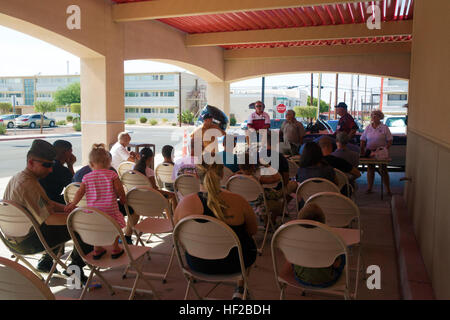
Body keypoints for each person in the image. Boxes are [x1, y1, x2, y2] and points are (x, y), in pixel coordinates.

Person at [2, 139, 92, 281]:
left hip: (13, 240)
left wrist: (69, 209)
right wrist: (80, 217)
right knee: (85, 227)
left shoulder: (19, 177)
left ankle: (47, 262)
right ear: (31, 162)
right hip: (28, 242)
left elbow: (48, 203)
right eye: (47, 165)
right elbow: (49, 219)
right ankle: (75, 269)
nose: (50, 169)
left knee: (67, 221)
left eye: (52, 165)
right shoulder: (29, 184)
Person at [173, 162, 257, 300]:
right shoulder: (239, 201)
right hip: (235, 264)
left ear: (196, 176)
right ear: (222, 175)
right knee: (247, 241)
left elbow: (178, 238)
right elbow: (252, 231)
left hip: (197, 263)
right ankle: (240, 287)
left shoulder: (183, 205)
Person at [65, 144, 127, 260]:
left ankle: (97, 249)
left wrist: (73, 203)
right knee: (114, 227)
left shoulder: (86, 177)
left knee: (96, 227)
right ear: (109, 163)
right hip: (110, 209)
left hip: (93, 211)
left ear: (91, 164)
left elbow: (80, 192)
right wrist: (123, 198)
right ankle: (115, 248)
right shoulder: (112, 174)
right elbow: (119, 189)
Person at [293, 203, 346, 288]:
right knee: (344, 251)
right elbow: (336, 264)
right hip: (327, 280)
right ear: (323, 222)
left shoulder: (293, 237)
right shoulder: (331, 239)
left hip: (300, 278)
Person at [360, 110, 393, 195]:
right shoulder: (368, 127)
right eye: (372, 115)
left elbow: (390, 140)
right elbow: (363, 139)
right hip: (370, 151)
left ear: (380, 117)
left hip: (380, 152)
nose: (374, 117)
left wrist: (385, 149)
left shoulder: (384, 127)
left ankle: (388, 189)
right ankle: (369, 188)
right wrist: (362, 149)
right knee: (370, 169)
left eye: (376, 115)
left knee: (383, 170)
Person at [39, 140, 76, 204]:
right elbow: (74, 189)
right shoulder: (63, 170)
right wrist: (70, 165)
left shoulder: (44, 165)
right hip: (52, 202)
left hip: (39, 200)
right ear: (65, 153)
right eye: (71, 152)